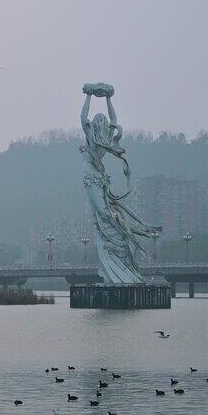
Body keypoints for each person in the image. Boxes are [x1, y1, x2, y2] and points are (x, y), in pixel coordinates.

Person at [80, 83, 160, 284]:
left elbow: (112, 120)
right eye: (101, 121)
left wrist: (105, 98)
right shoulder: (92, 137)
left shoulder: (104, 136)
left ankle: (129, 235)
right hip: (92, 177)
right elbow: (86, 118)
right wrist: (93, 96)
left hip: (100, 176)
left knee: (112, 211)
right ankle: (131, 233)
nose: (101, 123)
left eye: (101, 122)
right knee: (104, 212)